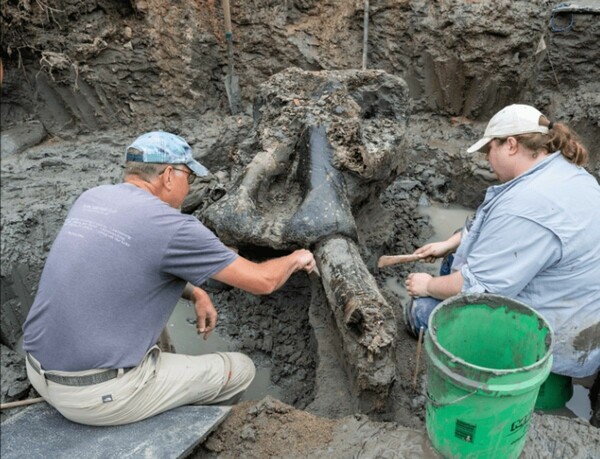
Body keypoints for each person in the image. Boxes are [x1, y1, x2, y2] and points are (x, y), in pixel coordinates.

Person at [21, 131, 317, 426]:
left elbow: (131, 266)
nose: (189, 186)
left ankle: (155, 390)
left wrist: (197, 293)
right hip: (96, 396)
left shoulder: (93, 197)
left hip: (39, 370)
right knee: (241, 369)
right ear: (168, 176)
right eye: (188, 176)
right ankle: (180, 428)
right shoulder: (174, 227)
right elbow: (262, 281)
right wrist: (296, 258)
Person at [403, 104, 600, 381]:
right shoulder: (571, 175)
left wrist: (427, 285)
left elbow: (475, 290)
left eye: (488, 150)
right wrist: (452, 242)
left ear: (510, 145)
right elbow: (501, 230)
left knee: (421, 311)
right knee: (453, 258)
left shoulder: (526, 205)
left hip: (550, 345)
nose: (486, 160)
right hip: (579, 322)